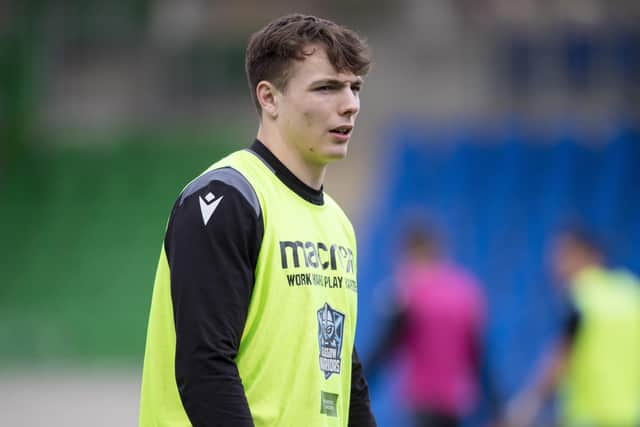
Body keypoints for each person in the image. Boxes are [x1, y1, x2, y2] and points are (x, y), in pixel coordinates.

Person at [138, 14, 376, 427]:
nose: (350, 104)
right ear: (269, 98)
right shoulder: (225, 200)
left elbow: (345, 378)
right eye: (327, 87)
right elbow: (205, 369)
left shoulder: (338, 223)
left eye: (354, 87)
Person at [504, 226, 640, 427]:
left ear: (587, 255)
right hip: (629, 416)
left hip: (588, 417)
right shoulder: (631, 292)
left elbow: (560, 357)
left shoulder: (582, 295)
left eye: (562, 257)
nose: (555, 267)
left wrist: (525, 406)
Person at [366, 225, 491, 427]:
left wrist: (356, 388)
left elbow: (383, 350)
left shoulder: (409, 293)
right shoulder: (467, 292)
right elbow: (480, 357)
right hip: (456, 403)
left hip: (422, 401)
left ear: (414, 253)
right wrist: (496, 406)